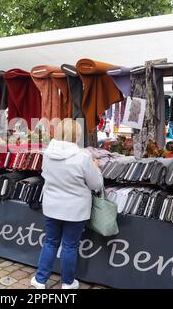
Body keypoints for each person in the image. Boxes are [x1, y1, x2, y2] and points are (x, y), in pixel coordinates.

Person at [31, 118, 102, 289]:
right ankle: (68, 283)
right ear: (76, 134)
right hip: (75, 209)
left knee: (50, 242)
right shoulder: (82, 157)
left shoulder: (47, 154)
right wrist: (96, 167)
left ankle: (40, 280)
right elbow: (96, 184)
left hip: (52, 206)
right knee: (70, 246)